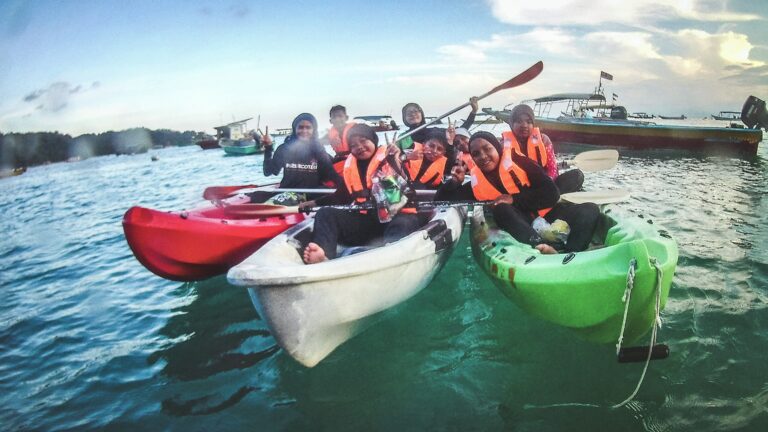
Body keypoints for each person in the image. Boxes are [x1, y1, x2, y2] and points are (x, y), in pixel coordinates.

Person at [435, 131, 599, 254]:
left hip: (549, 214)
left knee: (590, 209)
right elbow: (439, 201)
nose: (483, 156)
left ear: (497, 148)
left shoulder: (520, 162)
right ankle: (541, 246)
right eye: (476, 154)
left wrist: (514, 199)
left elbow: (552, 193)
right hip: (521, 225)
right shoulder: (476, 182)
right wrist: (453, 182)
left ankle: (572, 253)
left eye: (487, 149)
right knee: (501, 209)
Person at [301, 124, 427, 264]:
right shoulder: (351, 168)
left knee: (403, 223)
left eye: (363, 141)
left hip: (398, 218)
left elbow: (406, 188)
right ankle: (323, 256)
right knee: (325, 213)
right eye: (353, 145)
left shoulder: (392, 158)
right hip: (369, 222)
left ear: (373, 140)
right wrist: (314, 203)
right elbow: (340, 197)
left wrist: (395, 160)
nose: (359, 147)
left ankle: (390, 258)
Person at [259, 113, 341, 203]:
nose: (304, 131)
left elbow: (331, 173)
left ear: (314, 130)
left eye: (308, 128)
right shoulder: (284, 149)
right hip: (287, 192)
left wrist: (345, 189)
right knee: (255, 196)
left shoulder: (319, 150)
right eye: (300, 127)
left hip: (312, 194)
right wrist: (268, 148)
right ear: (295, 129)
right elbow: (268, 172)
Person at [501, 104, 584, 194]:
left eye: (529, 122)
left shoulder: (544, 141)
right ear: (511, 124)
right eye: (519, 121)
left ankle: (549, 195)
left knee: (577, 175)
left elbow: (553, 168)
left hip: (545, 185)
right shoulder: (502, 146)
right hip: (521, 190)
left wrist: (547, 184)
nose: (524, 125)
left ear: (533, 124)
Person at [396, 97, 479, 151]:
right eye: (408, 113)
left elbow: (460, 130)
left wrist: (474, 111)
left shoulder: (434, 132)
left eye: (415, 111)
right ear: (404, 118)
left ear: (421, 114)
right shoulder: (402, 138)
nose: (413, 114)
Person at [322, 105, 356, 176]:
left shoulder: (356, 129)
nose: (337, 119)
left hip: (356, 158)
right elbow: (317, 142)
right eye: (334, 117)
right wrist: (330, 141)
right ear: (330, 121)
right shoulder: (329, 135)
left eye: (340, 116)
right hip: (340, 160)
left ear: (346, 118)